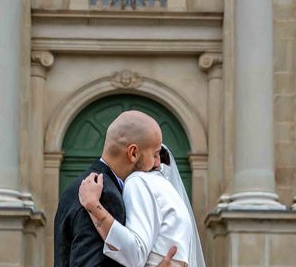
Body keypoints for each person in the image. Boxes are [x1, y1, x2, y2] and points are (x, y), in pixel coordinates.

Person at [54, 110, 177, 267]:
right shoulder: (104, 195)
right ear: (133, 153)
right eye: (155, 155)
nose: (158, 164)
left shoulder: (78, 187)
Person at [78, 145, 205, 267]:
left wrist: (93, 205)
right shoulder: (170, 190)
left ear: (133, 153)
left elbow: (135, 254)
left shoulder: (138, 180)